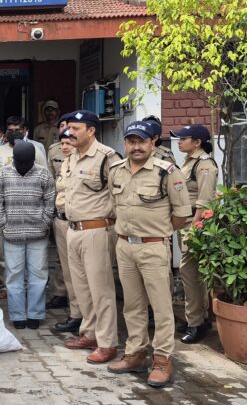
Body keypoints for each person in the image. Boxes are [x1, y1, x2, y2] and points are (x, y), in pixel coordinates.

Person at [107, 121, 192, 387]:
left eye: (141, 141)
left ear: (152, 142)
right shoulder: (116, 171)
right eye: (131, 141)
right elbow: (114, 205)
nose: (136, 147)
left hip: (154, 247)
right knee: (132, 305)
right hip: (124, 246)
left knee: (161, 306)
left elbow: (181, 214)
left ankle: (163, 359)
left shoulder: (167, 172)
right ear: (125, 144)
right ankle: (135, 353)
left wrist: (159, 232)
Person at [61, 110, 120, 365]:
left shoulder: (107, 157)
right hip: (73, 229)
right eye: (69, 128)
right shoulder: (72, 157)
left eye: (75, 128)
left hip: (96, 230)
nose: (70, 133)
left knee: (101, 289)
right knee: (82, 288)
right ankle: (90, 333)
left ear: (91, 130)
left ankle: (107, 343)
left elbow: (119, 195)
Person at [0, 141, 55, 329]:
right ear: (13, 158)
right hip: (11, 235)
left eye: (26, 162)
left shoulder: (44, 174)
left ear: (33, 160)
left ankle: (35, 314)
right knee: (14, 276)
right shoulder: (3, 174)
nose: (22, 165)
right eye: (19, 162)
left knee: (39, 276)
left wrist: (44, 223)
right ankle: (18, 315)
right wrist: (4, 224)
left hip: (38, 235)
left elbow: (50, 202)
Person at [0, 116, 48, 291]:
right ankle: (6, 287)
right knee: (3, 252)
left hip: (32, 211)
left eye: (18, 130)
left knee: (32, 253)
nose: (14, 133)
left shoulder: (36, 150)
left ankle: (30, 287)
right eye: (11, 130)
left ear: (26, 131)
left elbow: (46, 180)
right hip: (5, 211)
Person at [170, 124, 218, 343]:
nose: (179, 142)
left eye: (183, 138)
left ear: (197, 142)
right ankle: (199, 318)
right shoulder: (189, 161)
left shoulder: (204, 164)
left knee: (189, 272)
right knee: (194, 273)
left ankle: (196, 323)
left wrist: (194, 229)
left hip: (194, 224)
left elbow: (204, 201)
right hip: (185, 222)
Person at [51, 129, 83, 335]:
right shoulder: (64, 164)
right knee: (68, 272)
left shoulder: (90, 163)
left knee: (84, 274)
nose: (64, 147)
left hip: (81, 224)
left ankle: (88, 318)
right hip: (62, 221)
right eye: (62, 143)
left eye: (68, 143)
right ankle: (76, 314)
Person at [45, 118, 70, 311]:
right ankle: (61, 293)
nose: (66, 129)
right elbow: (49, 180)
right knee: (61, 258)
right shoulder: (54, 150)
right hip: (60, 212)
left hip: (84, 216)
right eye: (62, 126)